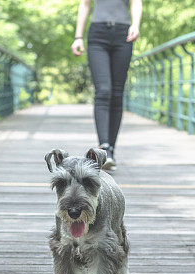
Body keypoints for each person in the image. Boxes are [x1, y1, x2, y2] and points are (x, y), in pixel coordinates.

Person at [71, 0, 142, 171]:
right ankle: (103, 146)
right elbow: (85, 5)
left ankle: (110, 151)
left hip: (123, 34)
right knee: (103, 91)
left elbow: (136, 2)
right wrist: (78, 37)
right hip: (97, 35)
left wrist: (136, 25)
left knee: (117, 93)